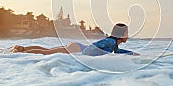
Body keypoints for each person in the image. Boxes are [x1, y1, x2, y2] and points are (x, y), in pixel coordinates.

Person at [10, 23, 139, 56]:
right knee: (47, 53)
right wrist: (82, 57)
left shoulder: (113, 44)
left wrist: (133, 54)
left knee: (48, 51)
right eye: (127, 33)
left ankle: (22, 49)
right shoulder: (110, 42)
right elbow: (94, 48)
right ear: (121, 34)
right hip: (78, 49)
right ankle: (21, 51)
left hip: (78, 47)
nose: (128, 35)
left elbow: (117, 52)